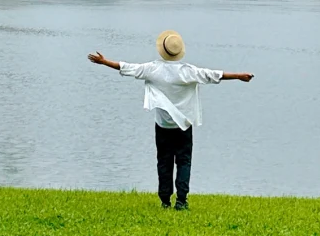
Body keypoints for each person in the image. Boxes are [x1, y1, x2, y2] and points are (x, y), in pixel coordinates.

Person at [88, 29, 253, 210]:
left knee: (164, 161)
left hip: (163, 126)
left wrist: (104, 62)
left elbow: (127, 67)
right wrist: (238, 76)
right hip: (184, 125)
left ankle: (165, 200)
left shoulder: (153, 69)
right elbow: (214, 75)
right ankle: (181, 200)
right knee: (184, 162)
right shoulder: (188, 71)